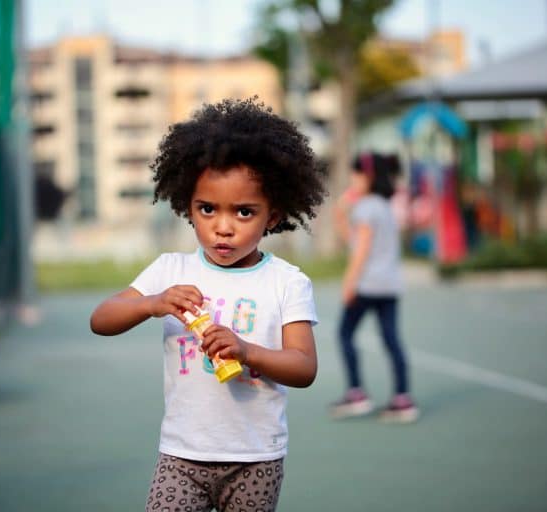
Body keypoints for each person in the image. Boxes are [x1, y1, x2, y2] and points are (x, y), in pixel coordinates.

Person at [90, 98, 326, 512]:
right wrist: (152, 302)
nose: (222, 226)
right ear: (187, 205)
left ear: (273, 216)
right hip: (181, 455)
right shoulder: (169, 270)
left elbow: (304, 367)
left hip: (255, 458)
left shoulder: (287, 281)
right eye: (207, 209)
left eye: (244, 212)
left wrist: (248, 350)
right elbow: (101, 319)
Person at [329, 154, 419, 423]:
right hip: (389, 286)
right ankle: (403, 399)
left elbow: (360, 252)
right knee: (392, 341)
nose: (352, 180)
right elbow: (355, 241)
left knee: (345, 334)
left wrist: (349, 283)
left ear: (368, 177)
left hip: (367, 285)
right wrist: (341, 213)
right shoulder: (383, 205)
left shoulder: (366, 207)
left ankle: (356, 393)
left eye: (356, 175)